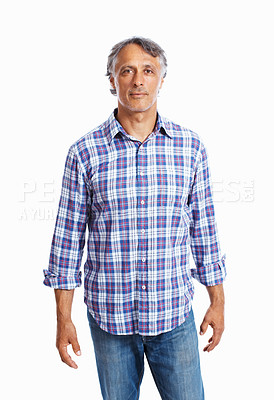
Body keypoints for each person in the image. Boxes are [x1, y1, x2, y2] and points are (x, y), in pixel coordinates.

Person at [43, 36, 226, 400]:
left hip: (173, 314)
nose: (138, 80)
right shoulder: (84, 152)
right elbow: (67, 240)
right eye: (126, 71)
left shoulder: (190, 148)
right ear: (112, 80)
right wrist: (63, 318)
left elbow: (204, 229)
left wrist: (217, 301)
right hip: (109, 319)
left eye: (148, 71)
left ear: (161, 79)